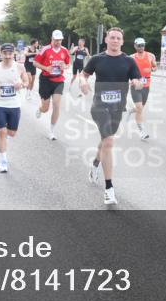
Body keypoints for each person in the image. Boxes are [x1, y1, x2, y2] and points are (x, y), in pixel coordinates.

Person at [80, 27, 143, 206]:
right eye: (112, 37)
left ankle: (94, 164)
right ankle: (109, 188)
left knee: (106, 140)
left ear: (122, 42)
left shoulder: (128, 61)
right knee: (108, 141)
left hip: (118, 108)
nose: (115, 40)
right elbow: (83, 75)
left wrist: (137, 83)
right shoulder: (97, 59)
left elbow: (138, 80)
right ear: (106, 40)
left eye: (118, 38)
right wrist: (83, 82)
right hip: (99, 106)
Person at [0, 43, 27, 173]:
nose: (8, 56)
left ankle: (4, 137)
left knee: (11, 133)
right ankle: (3, 160)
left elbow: (26, 81)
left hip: (14, 103)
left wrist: (22, 85)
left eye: (10, 53)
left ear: (13, 53)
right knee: (1, 132)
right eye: (5, 53)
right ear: (1, 54)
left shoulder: (19, 67)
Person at [33, 30, 71, 139]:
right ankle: (40, 109)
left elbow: (68, 64)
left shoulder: (64, 50)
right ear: (52, 39)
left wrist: (65, 66)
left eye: (59, 40)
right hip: (46, 80)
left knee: (56, 104)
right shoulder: (45, 49)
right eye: (56, 40)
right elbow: (35, 62)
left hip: (59, 80)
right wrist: (46, 68)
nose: (57, 42)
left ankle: (51, 131)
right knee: (45, 108)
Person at [128, 37, 157, 140]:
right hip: (135, 85)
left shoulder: (150, 56)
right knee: (140, 108)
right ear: (135, 46)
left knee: (140, 108)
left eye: (143, 45)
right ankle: (142, 132)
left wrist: (151, 68)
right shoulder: (131, 57)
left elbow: (155, 67)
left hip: (146, 86)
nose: (141, 47)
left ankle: (131, 110)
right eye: (139, 45)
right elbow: (127, 70)